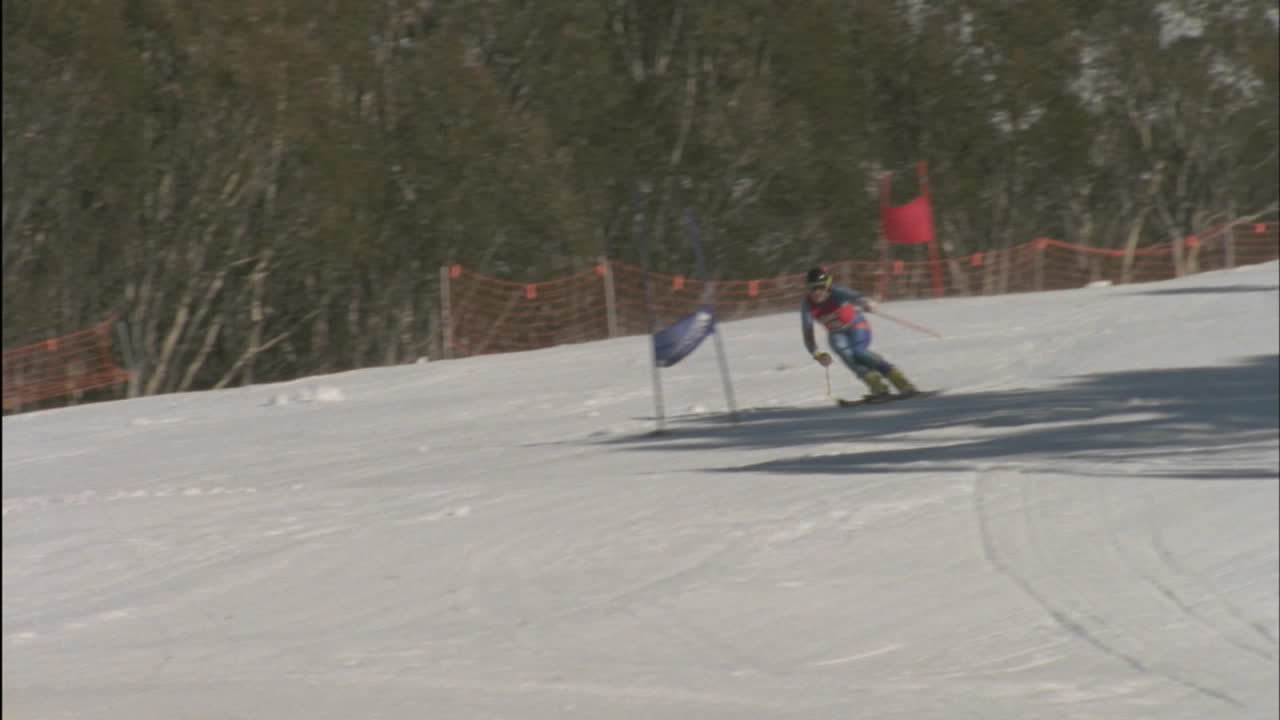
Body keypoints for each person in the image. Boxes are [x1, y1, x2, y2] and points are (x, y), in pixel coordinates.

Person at [801, 266, 918, 401]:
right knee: (849, 358)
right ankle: (878, 387)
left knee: (859, 352)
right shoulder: (807, 305)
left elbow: (855, 296)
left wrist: (865, 302)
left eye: (821, 287)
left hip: (856, 325)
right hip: (836, 334)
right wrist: (816, 353)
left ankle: (901, 382)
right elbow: (808, 332)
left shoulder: (836, 291)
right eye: (813, 288)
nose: (817, 292)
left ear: (827, 285)